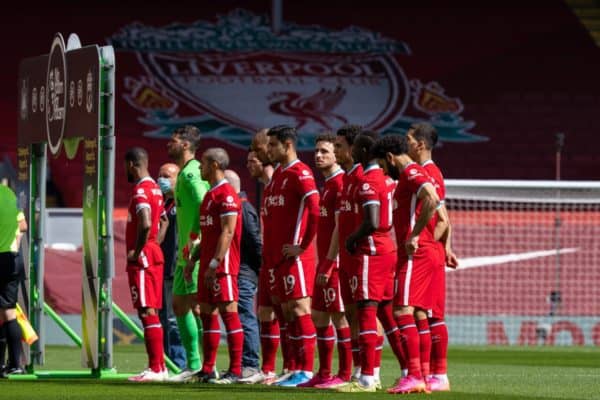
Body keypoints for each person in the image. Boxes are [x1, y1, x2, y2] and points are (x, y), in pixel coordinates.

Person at [371, 135, 446, 394]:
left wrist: (414, 234)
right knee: (417, 313)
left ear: (390, 157)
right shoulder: (410, 173)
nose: (382, 169)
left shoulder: (412, 172)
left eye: (382, 163)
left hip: (416, 252)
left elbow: (433, 198)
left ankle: (414, 375)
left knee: (402, 310)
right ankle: (422, 375)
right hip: (419, 252)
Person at [336, 133, 399, 393]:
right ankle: (409, 372)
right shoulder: (384, 180)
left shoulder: (367, 181)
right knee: (386, 313)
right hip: (386, 250)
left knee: (366, 312)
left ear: (361, 150)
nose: (350, 154)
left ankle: (367, 378)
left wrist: (352, 238)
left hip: (371, 251)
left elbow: (371, 221)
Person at [264, 125, 320, 387]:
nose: (268, 149)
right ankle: (295, 367)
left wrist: (303, 245)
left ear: (287, 145)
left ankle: (307, 370)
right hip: (278, 257)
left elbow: (316, 209)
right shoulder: (277, 174)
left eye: (273, 144)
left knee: (299, 308)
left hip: (296, 256)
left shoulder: (301, 172)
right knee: (287, 311)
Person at [184, 148, 244, 384]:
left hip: (223, 266)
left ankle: (236, 371)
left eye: (203, 164)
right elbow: (208, 235)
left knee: (229, 313)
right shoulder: (210, 195)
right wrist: (193, 259)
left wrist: (214, 263)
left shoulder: (227, 195)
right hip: (208, 263)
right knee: (207, 314)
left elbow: (228, 232)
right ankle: (208, 369)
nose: (200, 168)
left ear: (215, 165)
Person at [406, 123, 458, 392]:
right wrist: (447, 246)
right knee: (429, 314)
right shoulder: (431, 172)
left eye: (409, 139)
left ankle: (433, 374)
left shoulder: (428, 173)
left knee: (420, 312)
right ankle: (435, 375)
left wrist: (423, 239)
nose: (406, 144)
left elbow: (441, 216)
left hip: (425, 251)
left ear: (420, 144)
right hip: (432, 249)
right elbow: (446, 214)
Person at [297, 134, 352, 389]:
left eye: (325, 151)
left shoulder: (341, 184)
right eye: (316, 151)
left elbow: (342, 228)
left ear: (336, 155)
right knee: (319, 316)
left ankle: (345, 374)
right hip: (324, 261)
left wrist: (330, 263)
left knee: (339, 317)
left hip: (336, 262)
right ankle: (324, 373)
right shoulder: (328, 184)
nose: (318, 155)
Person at [166, 125, 210, 382]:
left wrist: (199, 240)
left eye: (172, 141)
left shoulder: (193, 175)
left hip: (194, 253)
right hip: (185, 253)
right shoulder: (184, 174)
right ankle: (193, 365)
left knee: (195, 308)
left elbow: (207, 203)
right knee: (180, 305)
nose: (167, 145)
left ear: (185, 145)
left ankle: (206, 365)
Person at [124, 147, 169, 382]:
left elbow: (146, 222)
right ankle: (159, 367)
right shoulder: (156, 189)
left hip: (143, 257)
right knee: (151, 309)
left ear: (132, 164)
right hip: (153, 253)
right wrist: (154, 244)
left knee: (146, 310)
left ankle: (155, 368)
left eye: (126, 166)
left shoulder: (142, 189)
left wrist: (139, 249)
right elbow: (164, 222)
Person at [223, 169, 262, 380]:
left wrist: (255, 270)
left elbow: (256, 242)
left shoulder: (244, 209)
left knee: (245, 317)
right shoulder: (235, 207)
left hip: (244, 272)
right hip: (237, 271)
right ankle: (238, 366)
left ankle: (251, 365)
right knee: (237, 318)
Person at [156, 163, 187, 370]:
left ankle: (179, 363)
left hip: (175, 270)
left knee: (174, 321)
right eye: (160, 175)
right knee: (163, 321)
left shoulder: (182, 204)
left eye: (166, 176)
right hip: (161, 269)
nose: (162, 180)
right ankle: (166, 363)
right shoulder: (163, 204)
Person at [0, 183, 24, 377]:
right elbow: (22, 225)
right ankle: (16, 364)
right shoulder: (9, 193)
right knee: (9, 313)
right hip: (12, 259)